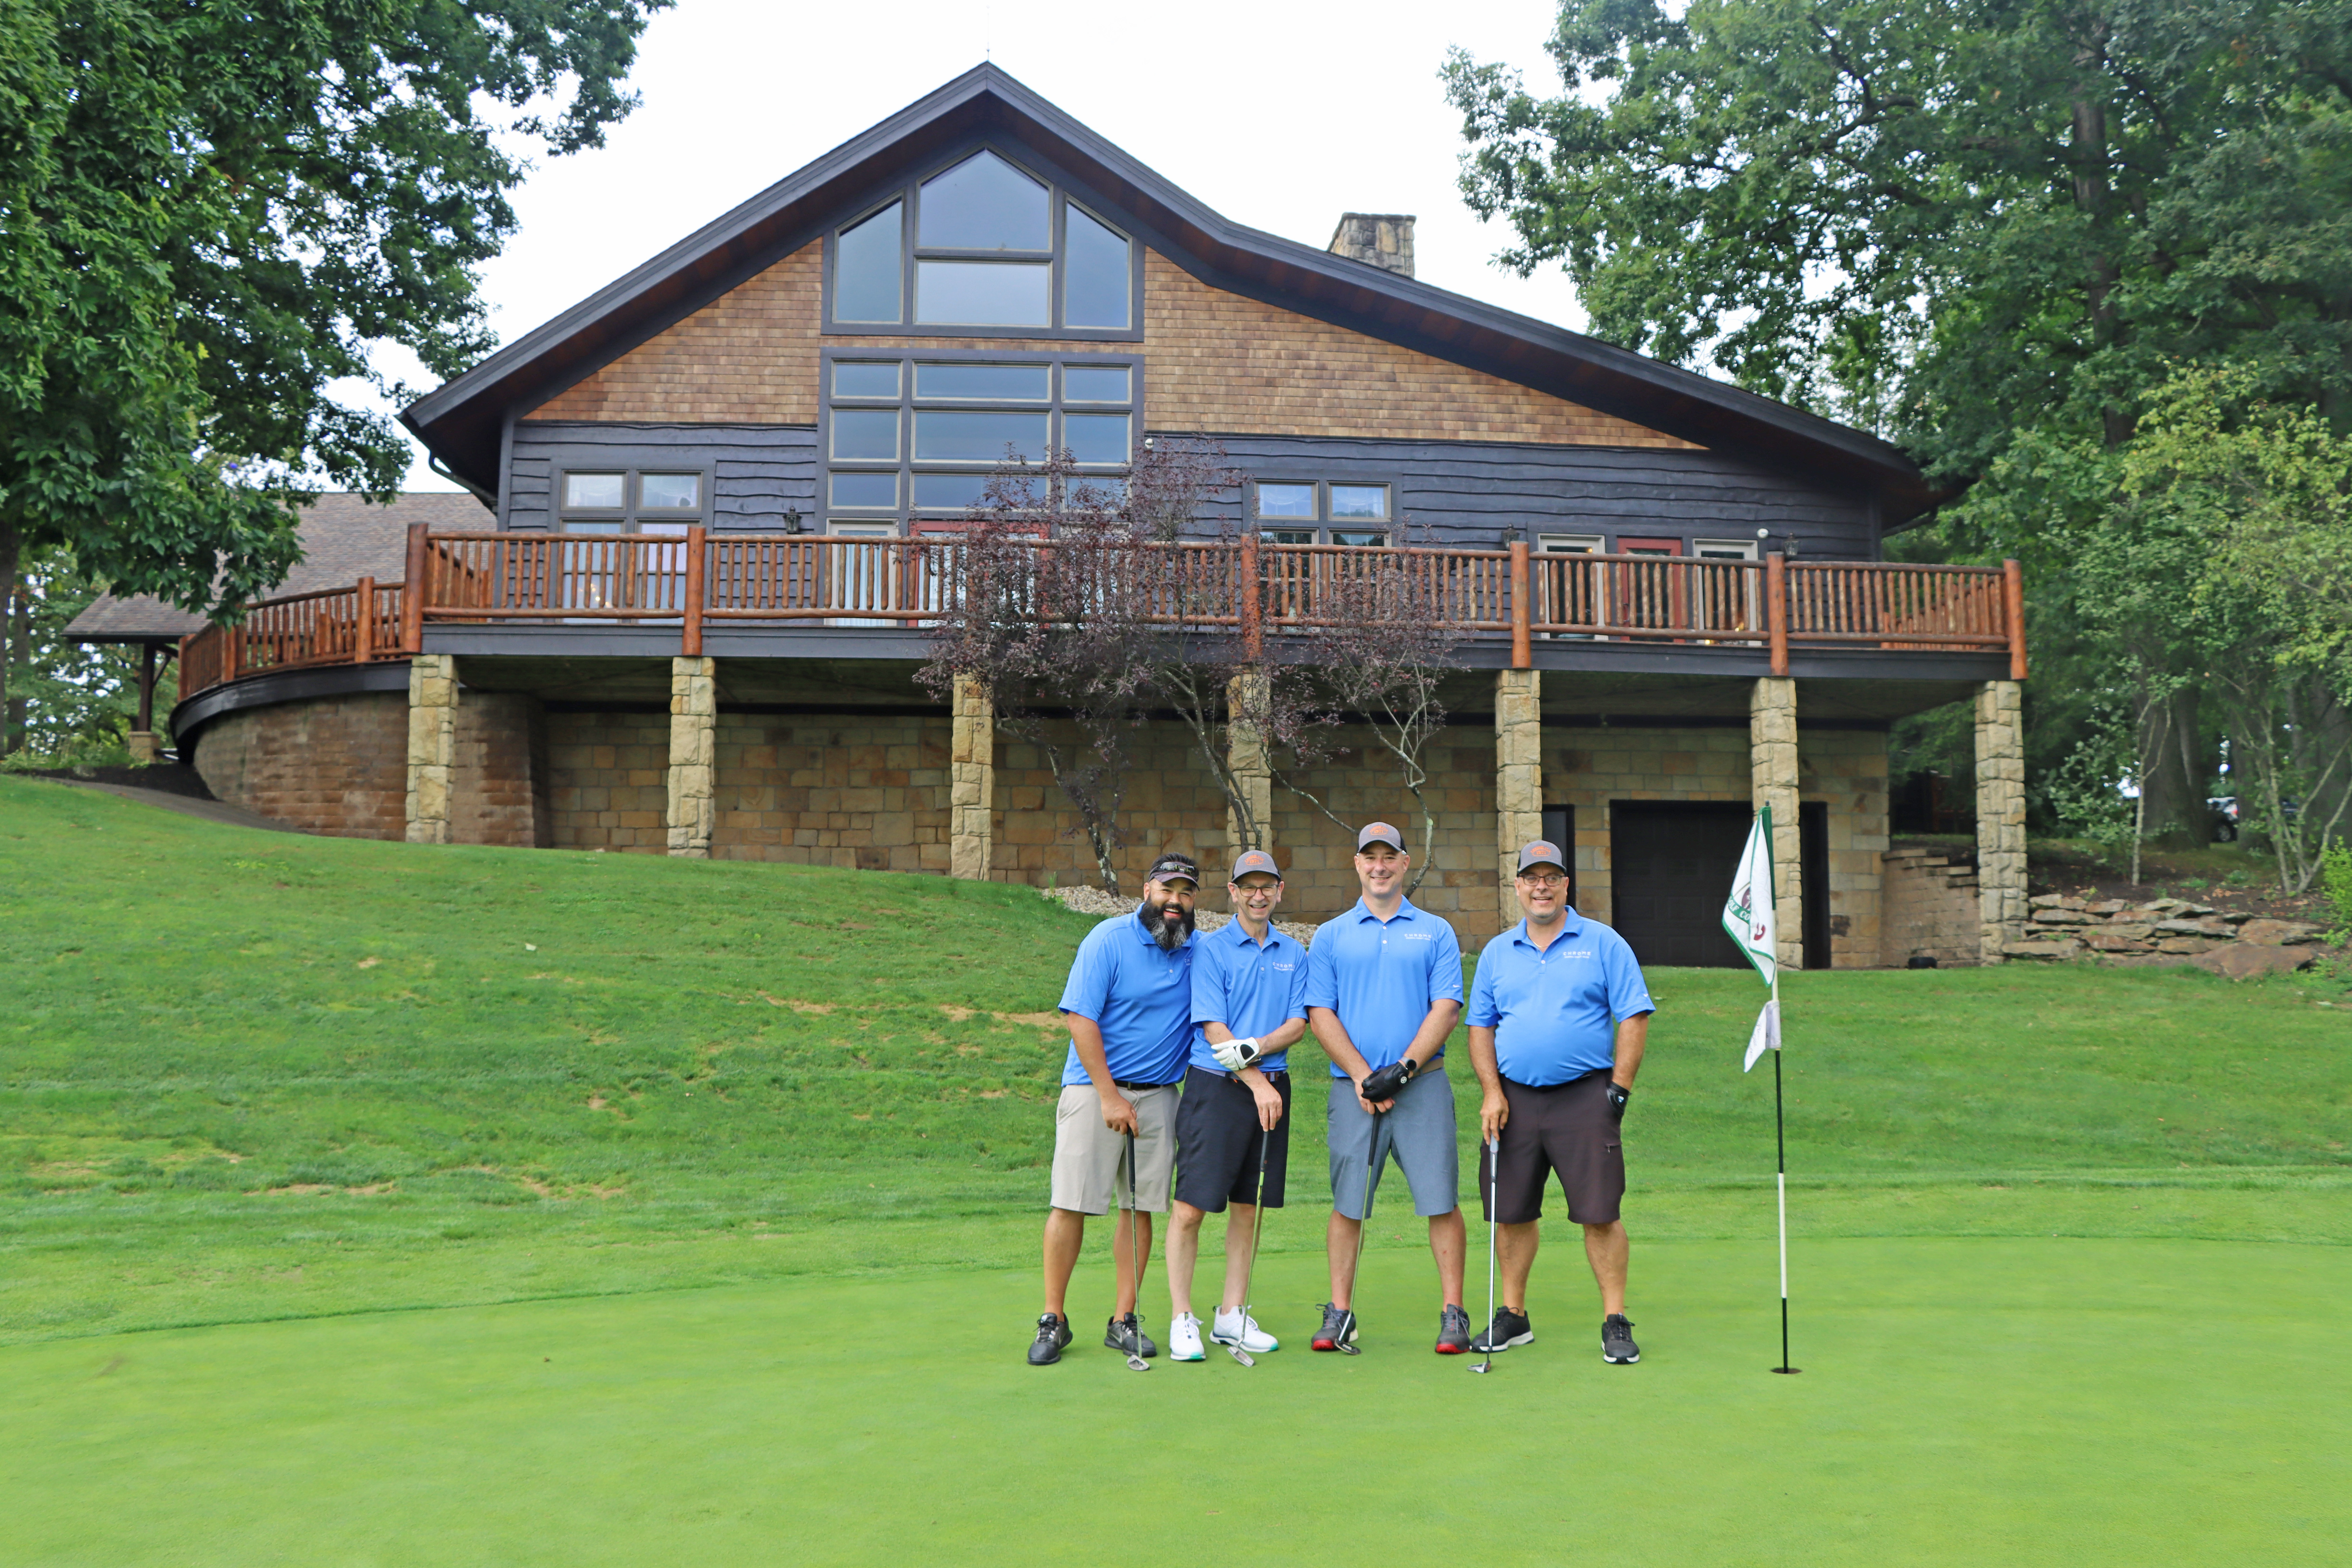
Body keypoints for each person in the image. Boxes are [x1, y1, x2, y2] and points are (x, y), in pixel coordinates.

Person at [1464, 840, 1656, 1366]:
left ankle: (1615, 1319)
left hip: (1584, 1098)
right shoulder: (1499, 952)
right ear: (1519, 886)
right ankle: (1514, 1315)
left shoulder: (1602, 943)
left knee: (1600, 1214)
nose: (1541, 886)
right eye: (1532, 877)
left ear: (1567, 885)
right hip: (1514, 1101)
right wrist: (1491, 1092)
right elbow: (1480, 1027)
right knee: (1512, 1212)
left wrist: (1618, 1089)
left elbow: (1634, 1015)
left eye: (1552, 877)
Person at [1304, 822, 1471, 1354]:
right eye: (1369, 857)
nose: (1379, 866)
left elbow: (1446, 1008)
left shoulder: (1436, 931)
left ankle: (1454, 1313)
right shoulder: (1331, 934)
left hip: (1423, 1087)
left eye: (1389, 857)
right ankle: (1341, 1313)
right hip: (1352, 1092)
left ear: (1405, 864)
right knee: (1348, 1204)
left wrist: (1400, 1070)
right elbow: (1319, 1011)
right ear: (1357, 864)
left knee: (1441, 1201)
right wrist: (1361, 1075)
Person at [1029, 852, 1200, 1367]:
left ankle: (1124, 1318)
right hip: (1093, 1091)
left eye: (1187, 893)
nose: (1176, 902)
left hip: (1161, 1096)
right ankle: (1053, 1319)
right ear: (1147, 890)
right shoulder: (1107, 939)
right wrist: (1108, 1096)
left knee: (1141, 1208)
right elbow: (1080, 1019)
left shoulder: (1195, 949)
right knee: (1071, 1202)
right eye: (1168, 890)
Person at [1165, 849, 1308, 1362]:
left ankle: (1231, 1314)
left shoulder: (1294, 951)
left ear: (1279, 890)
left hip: (1270, 1083)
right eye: (1248, 886)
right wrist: (1256, 1080)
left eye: (1266, 885)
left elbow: (1298, 1023)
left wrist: (1260, 1052)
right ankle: (1183, 1317)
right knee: (1191, 1207)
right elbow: (1212, 1026)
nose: (1258, 894)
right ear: (1233, 892)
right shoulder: (1210, 949)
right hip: (1216, 1089)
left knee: (1249, 1206)